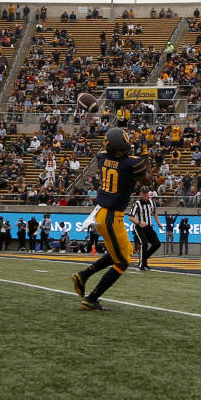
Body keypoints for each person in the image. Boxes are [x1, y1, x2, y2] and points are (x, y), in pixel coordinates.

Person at [71, 128, 154, 310]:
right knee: (123, 262)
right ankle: (92, 298)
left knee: (124, 251)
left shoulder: (102, 156)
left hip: (100, 212)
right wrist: (146, 156)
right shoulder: (130, 164)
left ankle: (83, 276)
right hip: (112, 216)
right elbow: (149, 180)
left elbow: (113, 147)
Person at [129, 186, 162, 270]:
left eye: (146, 193)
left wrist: (159, 223)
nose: (145, 195)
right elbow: (131, 217)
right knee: (144, 244)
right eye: (143, 193)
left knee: (157, 244)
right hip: (139, 227)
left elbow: (154, 213)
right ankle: (142, 265)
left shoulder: (151, 202)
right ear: (140, 194)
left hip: (148, 227)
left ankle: (143, 260)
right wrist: (139, 222)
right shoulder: (137, 204)